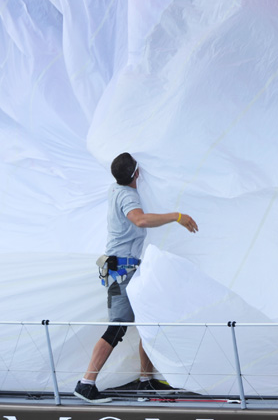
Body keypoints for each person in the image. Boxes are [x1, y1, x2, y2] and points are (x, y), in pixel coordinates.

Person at [74, 152, 199, 404]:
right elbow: (139, 219)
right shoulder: (128, 195)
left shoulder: (114, 188)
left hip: (125, 269)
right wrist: (177, 216)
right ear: (137, 174)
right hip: (121, 272)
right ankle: (86, 383)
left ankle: (145, 380)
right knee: (118, 326)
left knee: (147, 318)